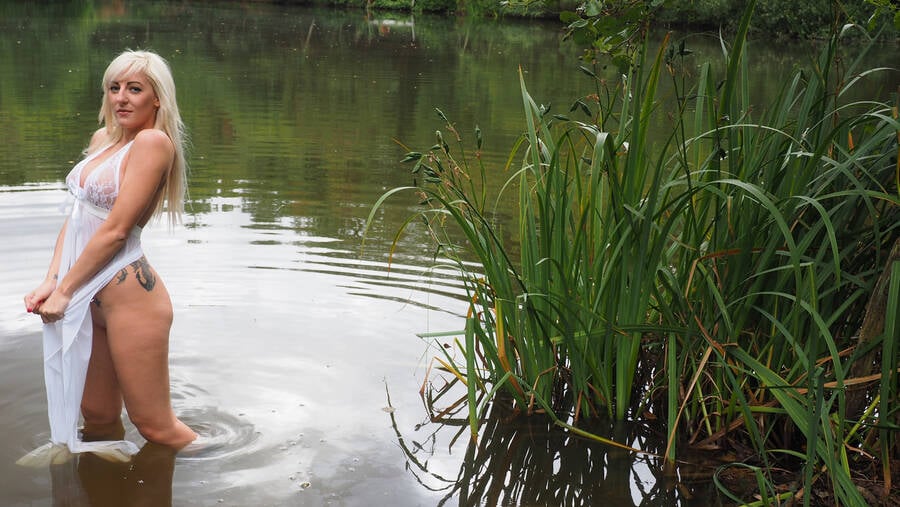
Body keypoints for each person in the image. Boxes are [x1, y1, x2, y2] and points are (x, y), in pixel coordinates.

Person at [21, 50, 197, 462]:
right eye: (114, 88)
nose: (122, 97)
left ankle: (226, 473)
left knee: (155, 426)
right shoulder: (106, 139)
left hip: (128, 297)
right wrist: (53, 280)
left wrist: (65, 292)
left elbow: (116, 230)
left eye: (135, 89)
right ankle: (110, 489)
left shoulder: (153, 144)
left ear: (157, 99)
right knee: (97, 416)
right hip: (85, 292)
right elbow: (79, 216)